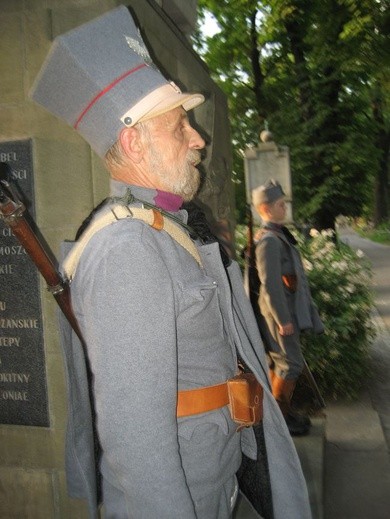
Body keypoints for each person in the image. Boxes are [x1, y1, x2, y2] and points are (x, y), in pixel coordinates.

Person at [30, 7, 312, 519]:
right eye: (180, 125)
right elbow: (137, 446)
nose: (198, 139)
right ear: (134, 140)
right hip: (186, 493)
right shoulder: (129, 250)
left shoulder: (162, 230)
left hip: (213, 473)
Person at [252, 179, 324, 436]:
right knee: (289, 364)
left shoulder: (277, 235)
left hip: (286, 311)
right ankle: (278, 420)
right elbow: (270, 285)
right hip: (279, 316)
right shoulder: (269, 240)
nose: (285, 208)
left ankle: (283, 411)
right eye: (281, 205)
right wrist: (283, 320)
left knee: (285, 363)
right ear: (266, 209)